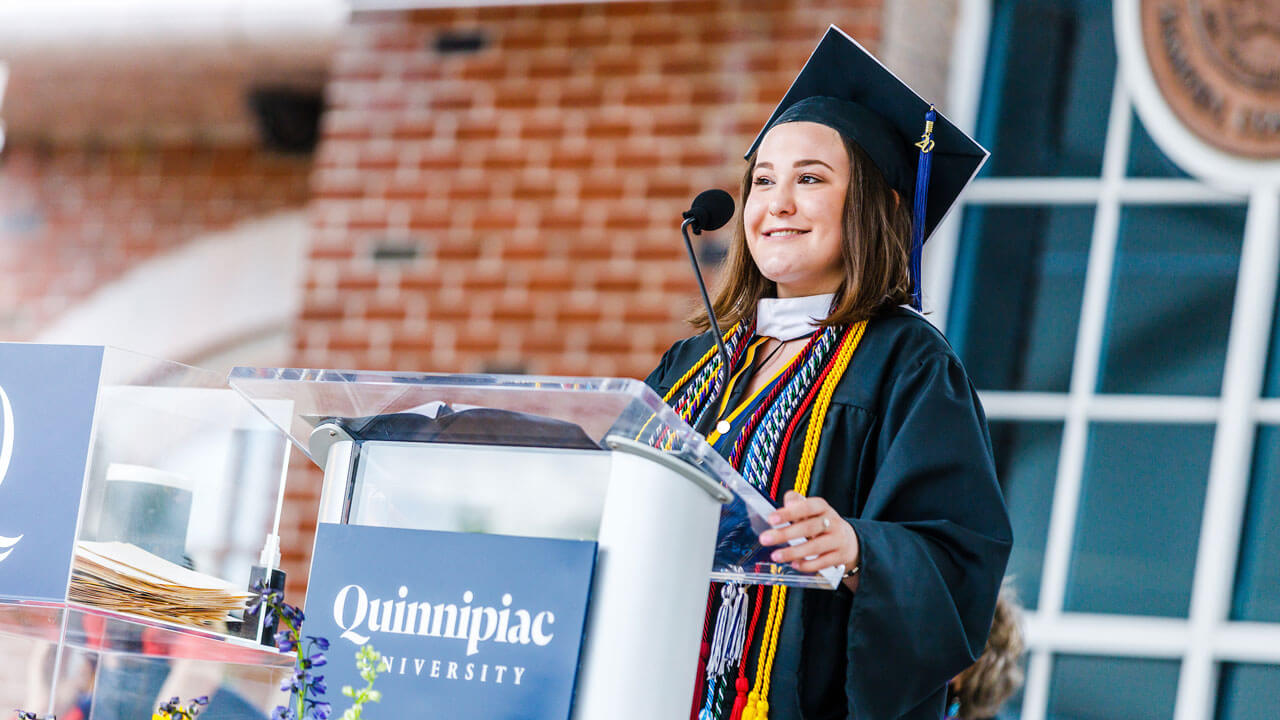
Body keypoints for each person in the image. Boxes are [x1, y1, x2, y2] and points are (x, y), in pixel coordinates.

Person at [644, 27, 1012, 720]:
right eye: (762, 180)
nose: (776, 203)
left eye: (809, 179)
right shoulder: (693, 364)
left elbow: (959, 562)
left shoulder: (909, 366)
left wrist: (858, 549)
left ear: (881, 207)